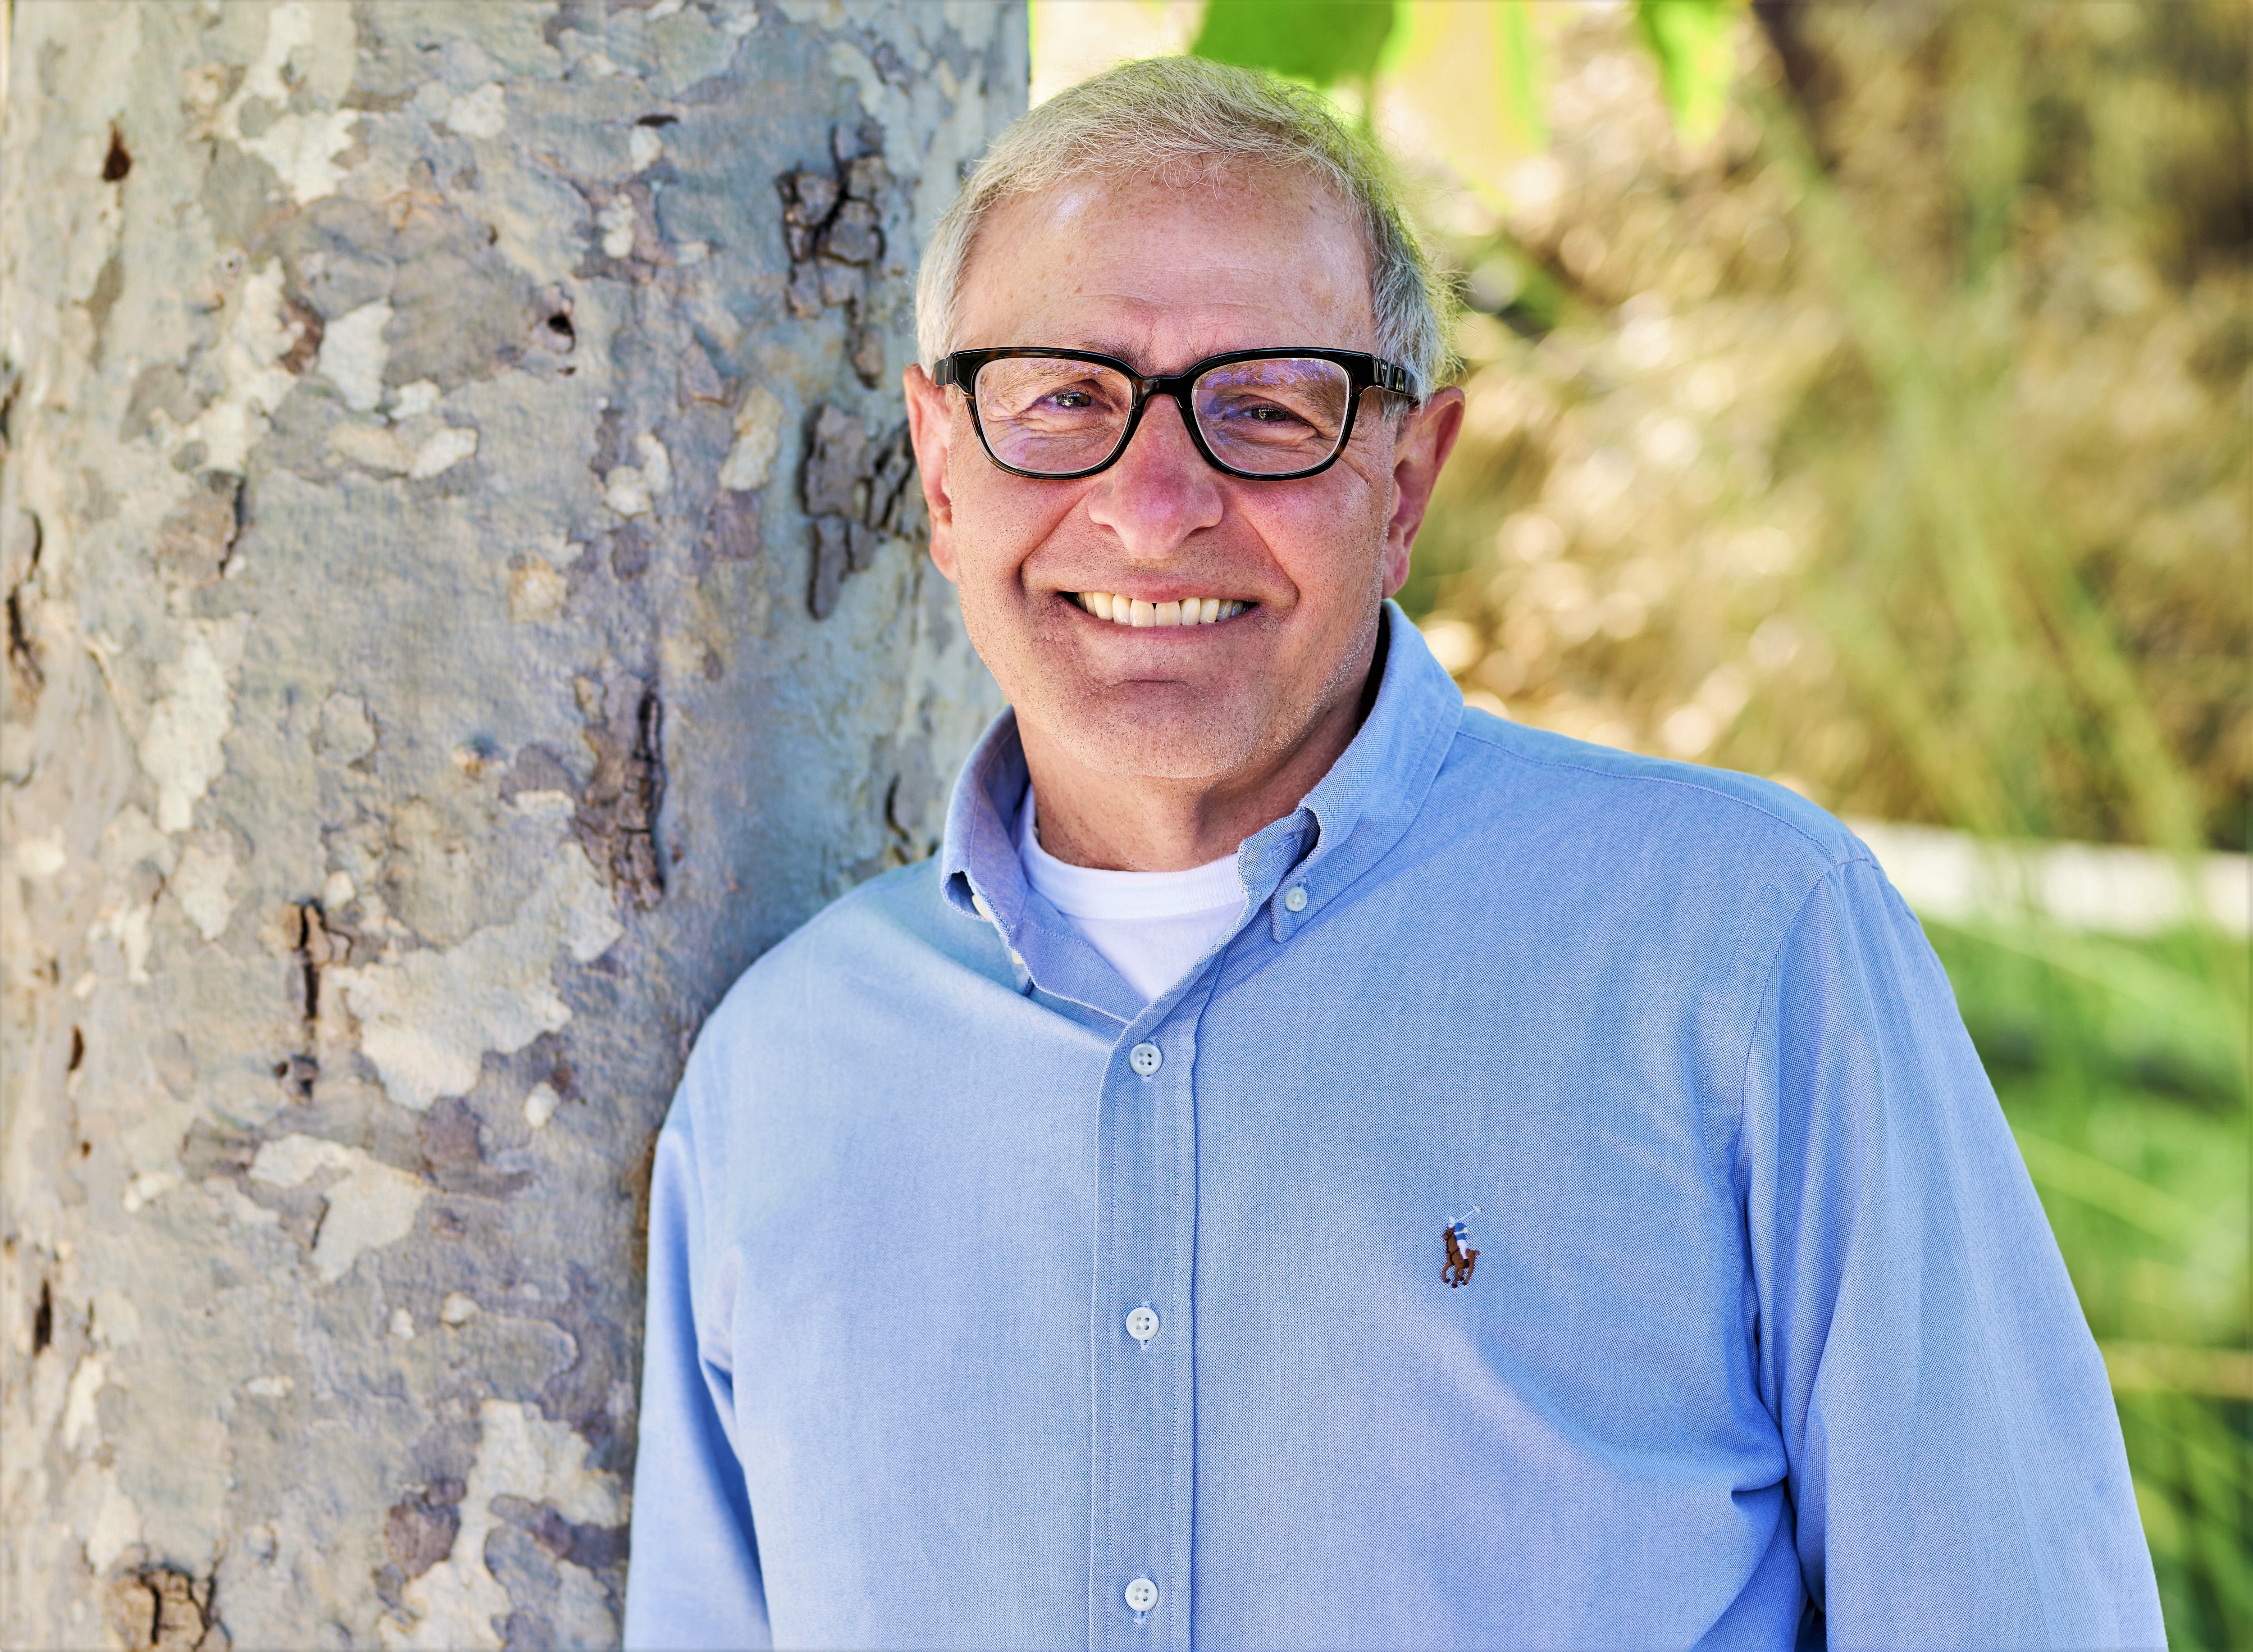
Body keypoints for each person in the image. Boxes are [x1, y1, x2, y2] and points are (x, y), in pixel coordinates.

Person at [622, 56, 2162, 1651]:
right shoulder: (778, 1076)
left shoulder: (1744, 945)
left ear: (1407, 480)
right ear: (946, 472)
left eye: (1265, 408)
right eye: (1064, 398)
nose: (1154, 505)